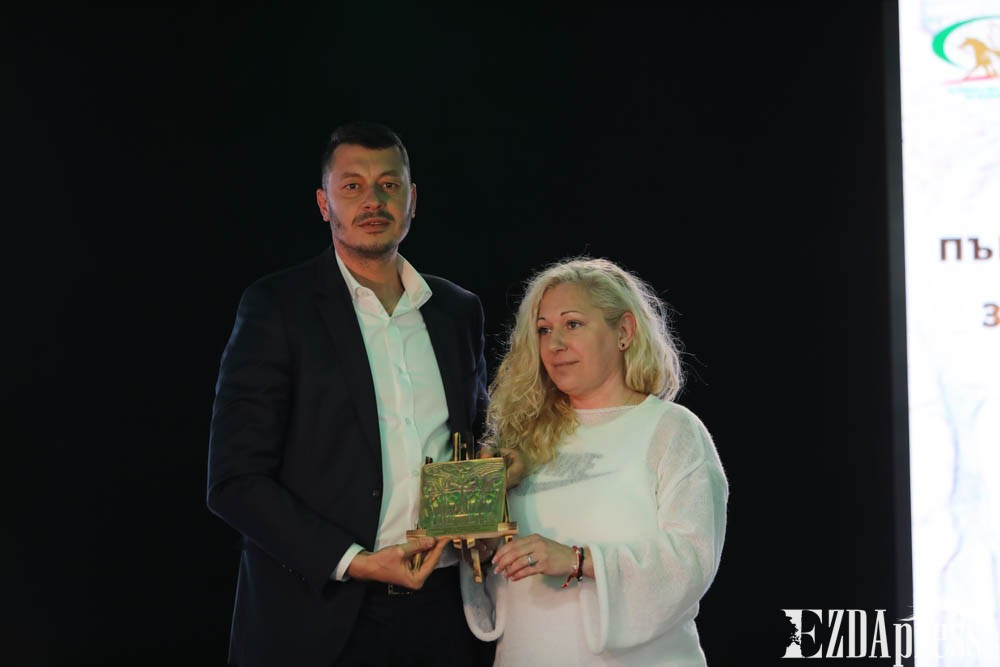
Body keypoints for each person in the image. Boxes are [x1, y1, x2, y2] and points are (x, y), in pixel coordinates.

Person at [207, 121, 490, 666]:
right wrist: (357, 561)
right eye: (352, 185)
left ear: (412, 200)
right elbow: (235, 481)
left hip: (444, 613)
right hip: (319, 615)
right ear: (324, 203)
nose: (373, 201)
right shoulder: (277, 307)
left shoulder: (457, 311)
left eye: (389, 184)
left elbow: (470, 447)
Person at [460, 257, 728, 666]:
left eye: (573, 324)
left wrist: (578, 559)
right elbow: (490, 574)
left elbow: (690, 559)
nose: (554, 344)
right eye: (543, 330)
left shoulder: (672, 430)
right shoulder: (519, 442)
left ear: (624, 331)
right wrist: (479, 546)